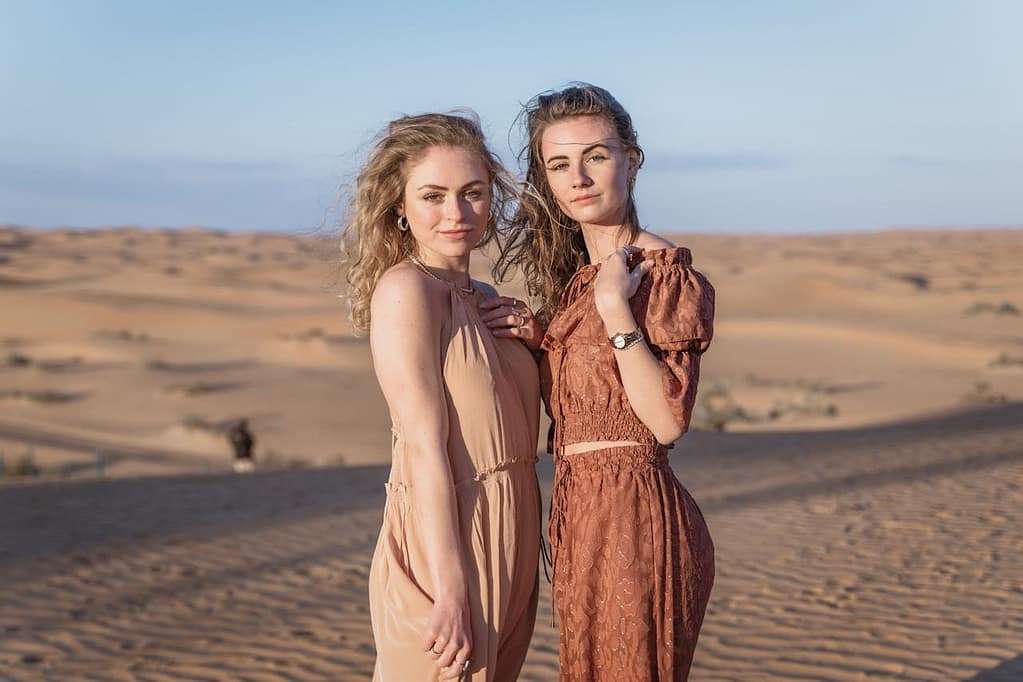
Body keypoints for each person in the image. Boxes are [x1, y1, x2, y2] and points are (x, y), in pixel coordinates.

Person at [490, 84, 716, 681]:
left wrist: (614, 310)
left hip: (634, 512)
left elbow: (665, 420)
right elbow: (598, 397)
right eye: (559, 164)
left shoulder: (661, 274)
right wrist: (547, 343)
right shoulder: (580, 279)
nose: (579, 178)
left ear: (631, 159)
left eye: (596, 155)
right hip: (578, 512)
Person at [343, 111, 543, 681]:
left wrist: (537, 340)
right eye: (433, 196)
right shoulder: (408, 291)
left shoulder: (485, 297)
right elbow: (426, 446)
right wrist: (449, 588)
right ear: (398, 206)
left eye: (472, 193)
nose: (456, 214)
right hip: (448, 540)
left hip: (513, 531)